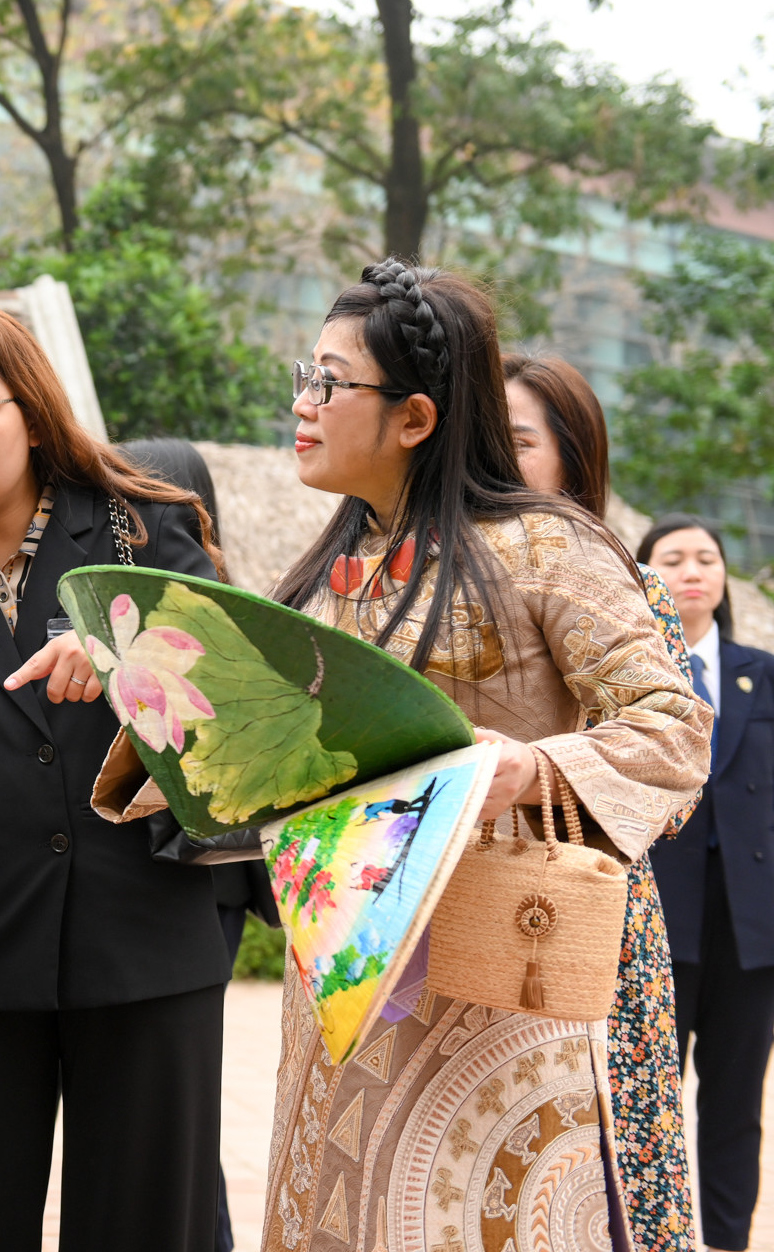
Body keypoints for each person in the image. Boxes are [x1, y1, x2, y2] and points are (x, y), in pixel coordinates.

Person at [262, 261, 710, 1252]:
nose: (302, 403)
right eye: (303, 374)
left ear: (414, 417)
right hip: (341, 981)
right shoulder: (328, 565)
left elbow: (671, 727)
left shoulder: (547, 550)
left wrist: (531, 768)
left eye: (328, 382)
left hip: (487, 996)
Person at [0, 310, 231, 1252]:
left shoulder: (143, 532)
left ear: (31, 412)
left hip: (141, 937)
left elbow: (238, 702)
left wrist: (122, 661)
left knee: (149, 1227)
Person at [504, 352, 699, 1252]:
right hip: (469, 910)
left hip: (590, 917)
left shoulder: (626, 585)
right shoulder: (445, 578)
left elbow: (672, 779)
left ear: (574, 464)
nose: (493, 461)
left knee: (606, 1168)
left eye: (517, 441)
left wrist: (542, 774)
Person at [120, 436, 280, 1252]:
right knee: (180, 1108)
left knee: (174, 1107)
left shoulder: (185, 611)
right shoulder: (221, 603)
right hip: (203, 876)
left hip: (190, 873)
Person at [645, 515, 774, 1252]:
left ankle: (726, 1242)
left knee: (735, 1106)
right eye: (673, 558)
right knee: (649, 1105)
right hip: (659, 918)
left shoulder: (765, 670)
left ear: (724, 577)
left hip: (750, 927)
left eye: (707, 558)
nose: (693, 570)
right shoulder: (630, 677)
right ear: (644, 575)